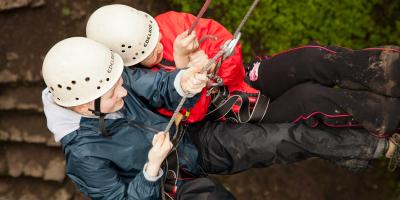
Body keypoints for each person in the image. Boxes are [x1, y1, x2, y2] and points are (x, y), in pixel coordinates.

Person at [42, 37, 397, 200]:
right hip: (169, 185)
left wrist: (184, 80)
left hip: (196, 140)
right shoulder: (84, 155)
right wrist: (151, 170)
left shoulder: (109, 77)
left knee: (285, 138)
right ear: (82, 105)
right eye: (112, 93)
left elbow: (156, 84)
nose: (122, 92)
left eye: (120, 82)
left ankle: (382, 148)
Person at [85, 4, 400, 136]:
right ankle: (389, 117)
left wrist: (205, 59)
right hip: (230, 113)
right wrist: (183, 70)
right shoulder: (137, 87)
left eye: (155, 40)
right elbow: (190, 117)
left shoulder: (168, 24)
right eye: (149, 52)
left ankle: (389, 70)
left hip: (238, 77)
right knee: (310, 99)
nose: (158, 48)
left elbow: (227, 44)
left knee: (310, 58)